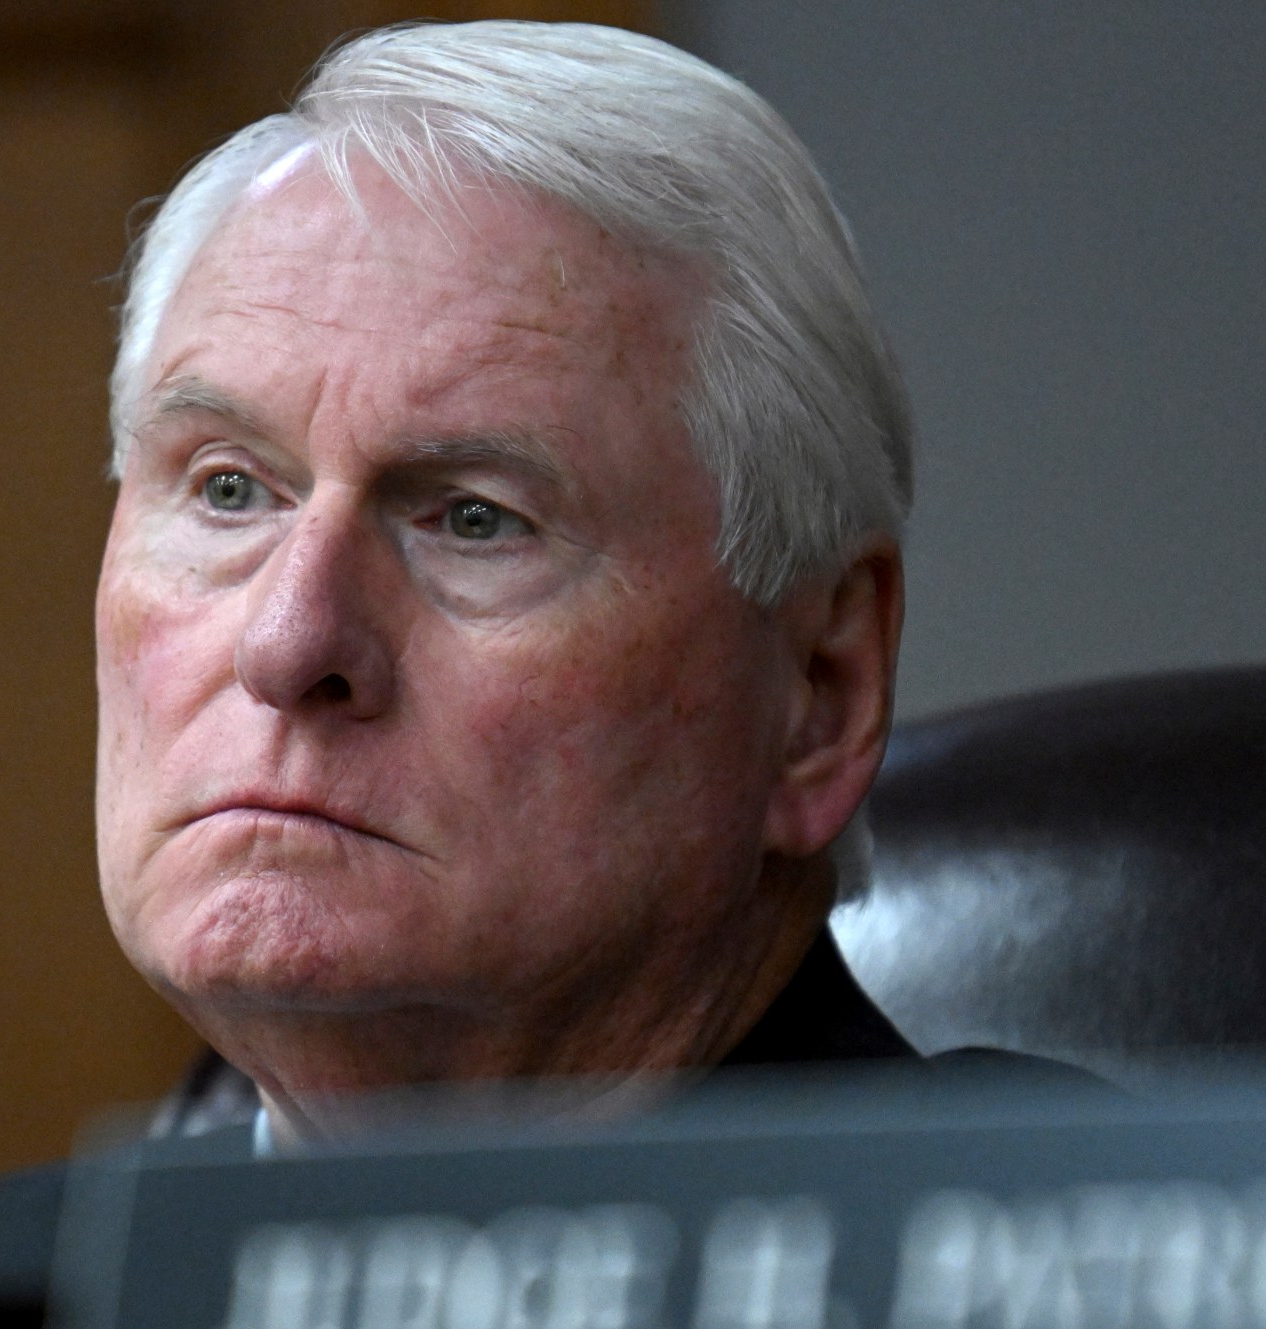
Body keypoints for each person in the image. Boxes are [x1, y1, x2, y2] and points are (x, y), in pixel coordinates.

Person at [93, 20, 920, 1150]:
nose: (287, 647)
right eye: (230, 492)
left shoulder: (1079, 1285)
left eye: (476, 521)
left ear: (819, 696)